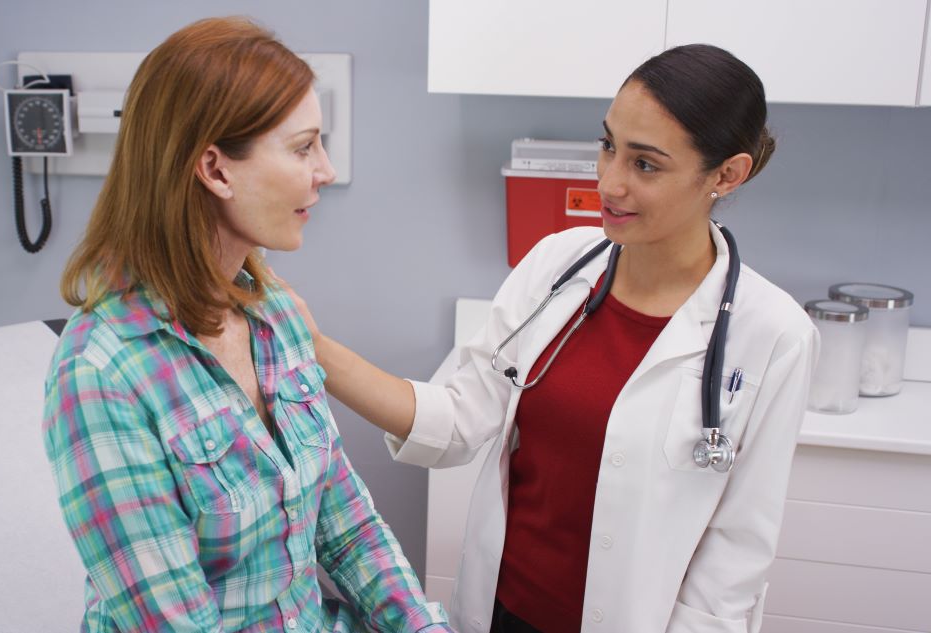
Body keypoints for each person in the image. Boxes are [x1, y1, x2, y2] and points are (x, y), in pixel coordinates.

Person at [284, 44, 819, 633]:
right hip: (502, 612)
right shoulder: (556, 265)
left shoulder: (774, 334)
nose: (609, 183)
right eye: (609, 145)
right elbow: (459, 421)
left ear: (727, 174)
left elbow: (735, 555)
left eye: (645, 165)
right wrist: (312, 346)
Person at [42, 17, 451, 633]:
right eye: (304, 147)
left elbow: (348, 530)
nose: (325, 170)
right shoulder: (101, 374)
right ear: (216, 169)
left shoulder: (274, 311)